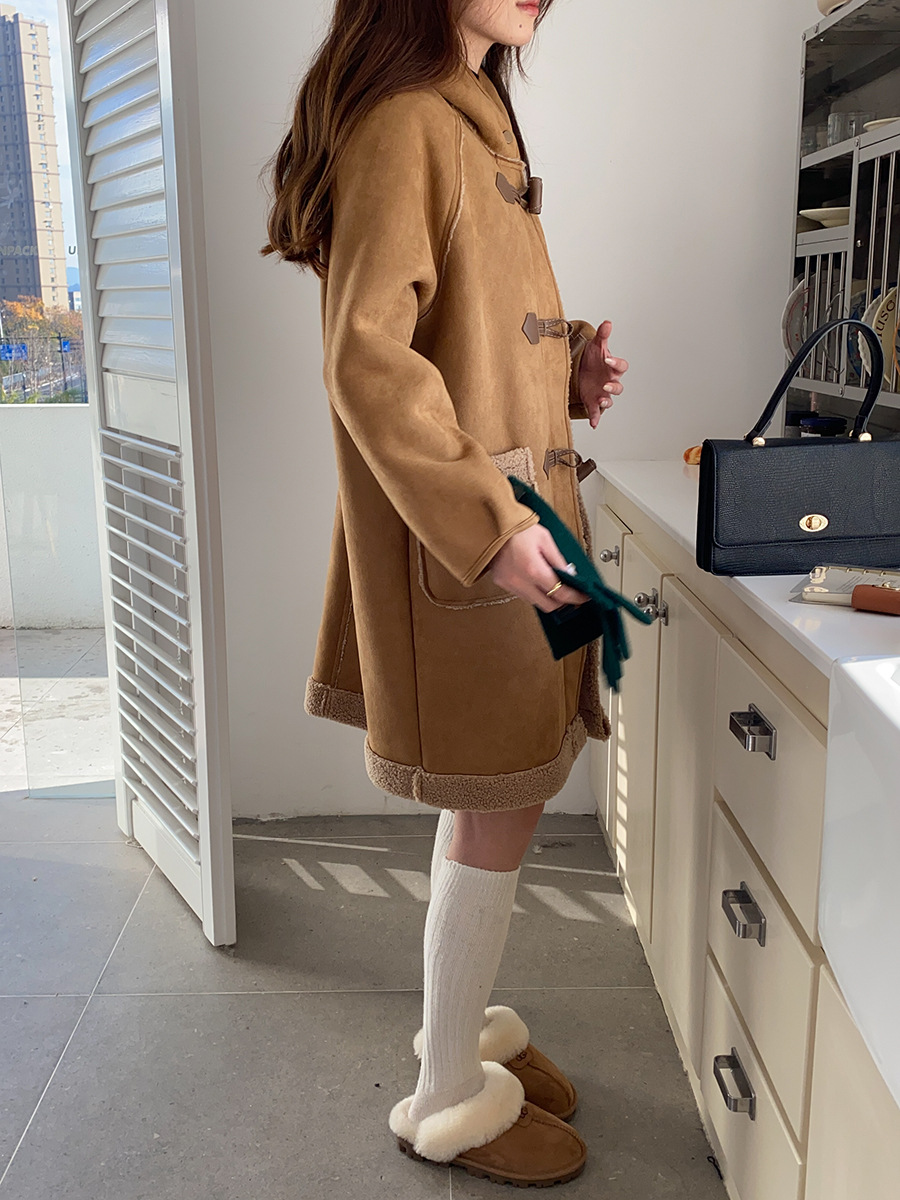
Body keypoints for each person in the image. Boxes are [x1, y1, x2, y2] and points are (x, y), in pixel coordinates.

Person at [260, 0, 628, 1186]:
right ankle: (446, 1098)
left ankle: (459, 1033)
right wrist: (486, 523)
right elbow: (368, 357)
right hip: (478, 542)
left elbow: (463, 335)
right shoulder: (408, 122)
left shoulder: (473, 126)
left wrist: (565, 372)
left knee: (497, 798)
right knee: (496, 798)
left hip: (509, 526)